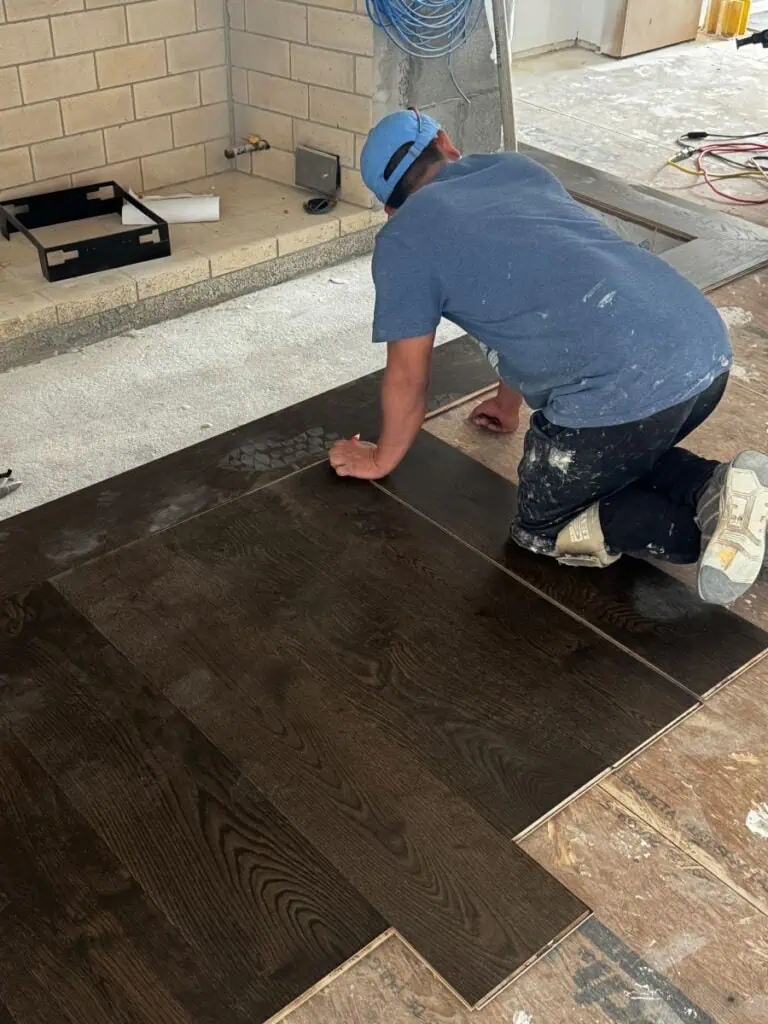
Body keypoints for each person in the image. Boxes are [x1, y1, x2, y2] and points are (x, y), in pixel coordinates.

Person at [328, 108, 768, 606]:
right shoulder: (516, 169)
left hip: (627, 386)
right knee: (612, 456)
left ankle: (733, 542)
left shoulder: (404, 240)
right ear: (448, 144)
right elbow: (551, 288)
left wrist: (380, 458)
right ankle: (724, 487)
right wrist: (507, 402)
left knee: (542, 524)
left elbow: (408, 380)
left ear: (390, 208)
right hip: (704, 350)